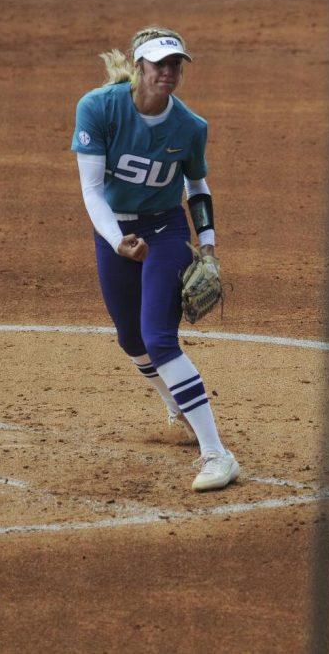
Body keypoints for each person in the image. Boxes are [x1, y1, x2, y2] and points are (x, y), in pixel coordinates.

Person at [71, 26, 239, 492]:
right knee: (131, 339)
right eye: (159, 64)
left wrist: (206, 243)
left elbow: (196, 186)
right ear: (139, 66)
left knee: (159, 338)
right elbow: (91, 190)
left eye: (175, 65)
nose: (168, 73)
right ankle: (178, 404)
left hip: (164, 229)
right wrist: (116, 238)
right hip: (114, 228)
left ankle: (217, 455)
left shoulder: (190, 126)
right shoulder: (99, 108)